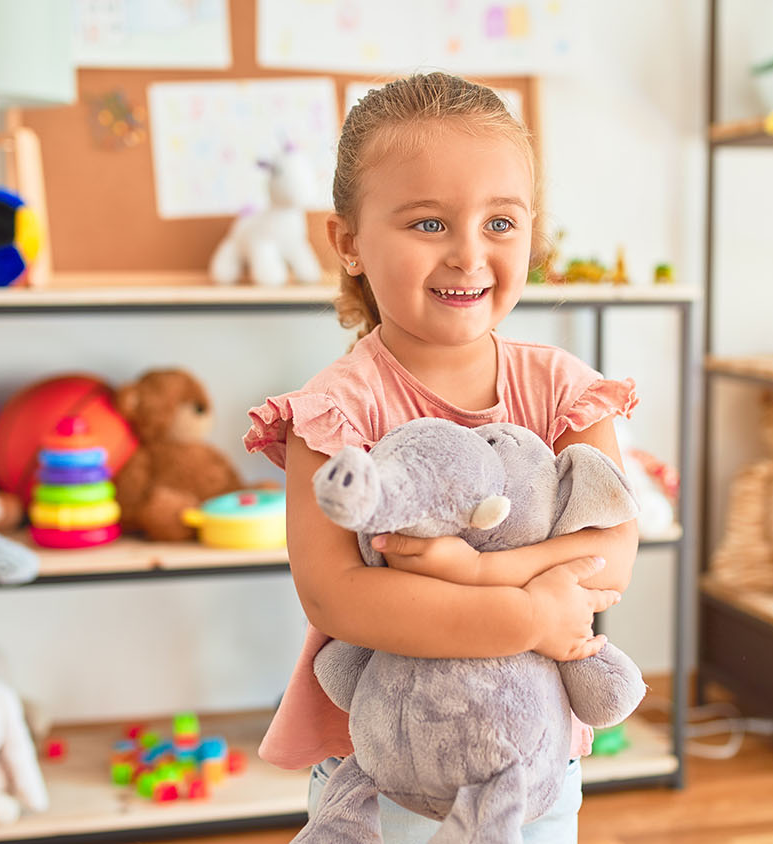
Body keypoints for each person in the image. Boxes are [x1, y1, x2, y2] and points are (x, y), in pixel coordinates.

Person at [243, 72, 639, 842]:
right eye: (429, 224)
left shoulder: (564, 390)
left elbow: (609, 557)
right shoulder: (334, 412)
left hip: (533, 764)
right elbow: (338, 600)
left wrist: (477, 572)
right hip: (384, 769)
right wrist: (527, 613)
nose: (469, 254)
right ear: (349, 241)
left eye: (501, 222)